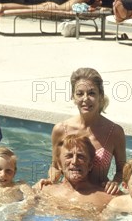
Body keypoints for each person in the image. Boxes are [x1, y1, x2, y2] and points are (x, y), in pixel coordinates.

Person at [46, 67, 126, 195]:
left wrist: (115, 183)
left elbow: (122, 170)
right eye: (80, 93)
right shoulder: (60, 130)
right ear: (73, 97)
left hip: (99, 197)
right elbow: (56, 166)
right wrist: (50, 180)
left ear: (100, 96)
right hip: (68, 195)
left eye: (91, 93)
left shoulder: (114, 132)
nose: (85, 99)